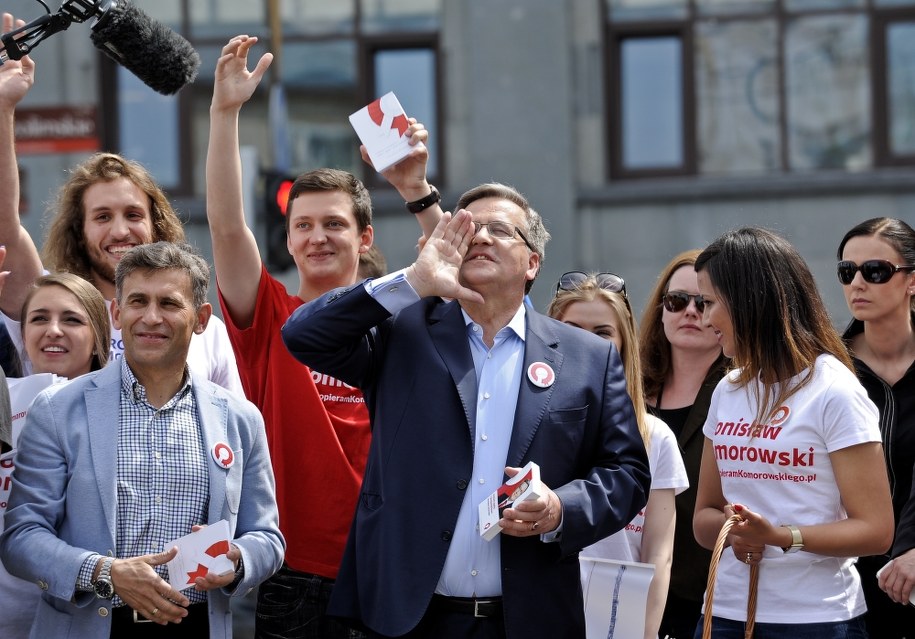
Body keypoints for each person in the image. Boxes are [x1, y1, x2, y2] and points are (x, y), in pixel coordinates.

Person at [281, 183, 652, 639]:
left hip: (529, 617)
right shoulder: (403, 330)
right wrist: (414, 281)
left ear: (532, 261)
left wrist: (561, 508)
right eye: (468, 229)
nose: (480, 238)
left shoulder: (587, 357)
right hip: (409, 617)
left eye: (500, 229)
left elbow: (627, 473)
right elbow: (303, 335)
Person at [205, 36, 439, 638]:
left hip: (390, 563)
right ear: (286, 242)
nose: (317, 237)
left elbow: (460, 274)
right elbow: (228, 228)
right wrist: (225, 113)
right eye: (302, 225)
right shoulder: (268, 314)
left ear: (363, 237)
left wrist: (416, 186)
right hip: (291, 572)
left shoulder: (401, 311)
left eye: (334, 223)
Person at [0, 241, 285, 638]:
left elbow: (267, 537)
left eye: (169, 304)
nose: (151, 318)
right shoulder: (56, 410)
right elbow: (21, 538)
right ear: (117, 313)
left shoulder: (240, 419)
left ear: (201, 319)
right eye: (137, 301)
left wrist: (237, 559)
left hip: (198, 626)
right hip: (89, 627)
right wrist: (104, 573)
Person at [0, 12, 241, 393]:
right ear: (78, 231)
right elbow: (6, 229)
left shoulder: (205, 330)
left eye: (133, 214)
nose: (119, 230)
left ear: (156, 224)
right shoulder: (50, 305)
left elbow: (232, 431)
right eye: (101, 216)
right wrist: (3, 108)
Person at [692, 227, 894, 638]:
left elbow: (875, 530)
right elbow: (703, 518)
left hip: (815, 620)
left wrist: (781, 537)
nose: (705, 317)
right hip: (723, 613)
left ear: (749, 300)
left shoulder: (834, 391)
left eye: (711, 302)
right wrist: (734, 533)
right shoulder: (728, 392)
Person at [547, 271, 687, 639]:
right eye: (573, 328)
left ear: (624, 343)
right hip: (540, 610)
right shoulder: (524, 427)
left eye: (603, 333)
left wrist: (646, 633)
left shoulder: (655, 437)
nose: (586, 344)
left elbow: (659, 554)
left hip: (620, 620)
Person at [0, 270, 111, 638]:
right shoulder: (6, 397)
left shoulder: (126, 412)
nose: (54, 330)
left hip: (83, 618)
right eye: (39, 318)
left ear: (99, 338)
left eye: (72, 319)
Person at [639, 249, 727, 639]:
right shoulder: (629, 390)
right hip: (631, 587)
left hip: (710, 599)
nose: (690, 312)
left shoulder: (742, 395)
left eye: (704, 303)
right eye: (676, 301)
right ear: (661, 310)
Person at [834, 217, 915, 636]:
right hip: (841, 588)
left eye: (876, 271)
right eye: (847, 272)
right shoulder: (825, 372)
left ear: (911, 282)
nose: (857, 284)